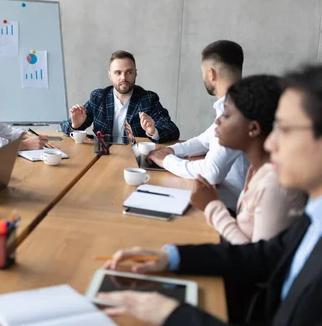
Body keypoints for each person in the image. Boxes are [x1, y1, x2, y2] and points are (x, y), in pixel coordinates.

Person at [99, 64, 322, 326]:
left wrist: (173, 314)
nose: (271, 143)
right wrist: (170, 257)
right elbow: (264, 256)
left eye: (283, 130)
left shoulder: (277, 186)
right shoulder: (313, 217)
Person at [190, 75, 306, 244]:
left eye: (227, 115)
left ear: (253, 128)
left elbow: (256, 261)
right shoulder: (257, 169)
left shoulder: (275, 185)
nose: (217, 121)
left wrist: (213, 206)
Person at [148, 40, 250, 211]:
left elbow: (212, 172)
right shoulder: (234, 103)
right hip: (224, 199)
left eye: (202, 73)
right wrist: (172, 151)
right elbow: (204, 141)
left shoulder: (237, 111)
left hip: (235, 209)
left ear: (211, 73)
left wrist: (166, 160)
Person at [61, 50, 179, 144]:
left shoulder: (148, 99)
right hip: (102, 159)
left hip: (134, 160)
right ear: (110, 75)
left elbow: (172, 130)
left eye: (129, 72)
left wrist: (153, 131)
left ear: (135, 73)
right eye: (118, 72)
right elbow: (65, 128)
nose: (123, 77)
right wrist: (74, 125)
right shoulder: (98, 97)